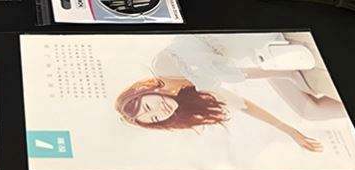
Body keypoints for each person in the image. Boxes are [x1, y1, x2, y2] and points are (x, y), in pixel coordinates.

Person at [115, 35, 324, 151]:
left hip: (239, 37)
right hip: (255, 58)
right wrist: (290, 131)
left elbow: (227, 71)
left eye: (148, 106)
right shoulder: (185, 91)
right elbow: (243, 105)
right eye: (155, 118)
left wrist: (286, 73)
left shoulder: (163, 66)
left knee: (305, 90)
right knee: (310, 112)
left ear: (143, 91)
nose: (160, 111)